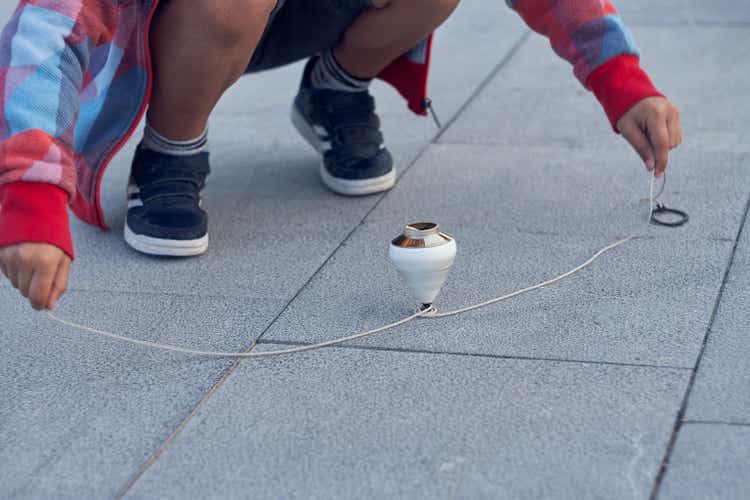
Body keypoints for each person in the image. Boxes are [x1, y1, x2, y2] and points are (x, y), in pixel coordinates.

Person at [0, 0, 681, 311]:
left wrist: (620, 79)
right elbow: (48, 26)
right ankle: (172, 149)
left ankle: (336, 88)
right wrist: (31, 195)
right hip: (200, 20)